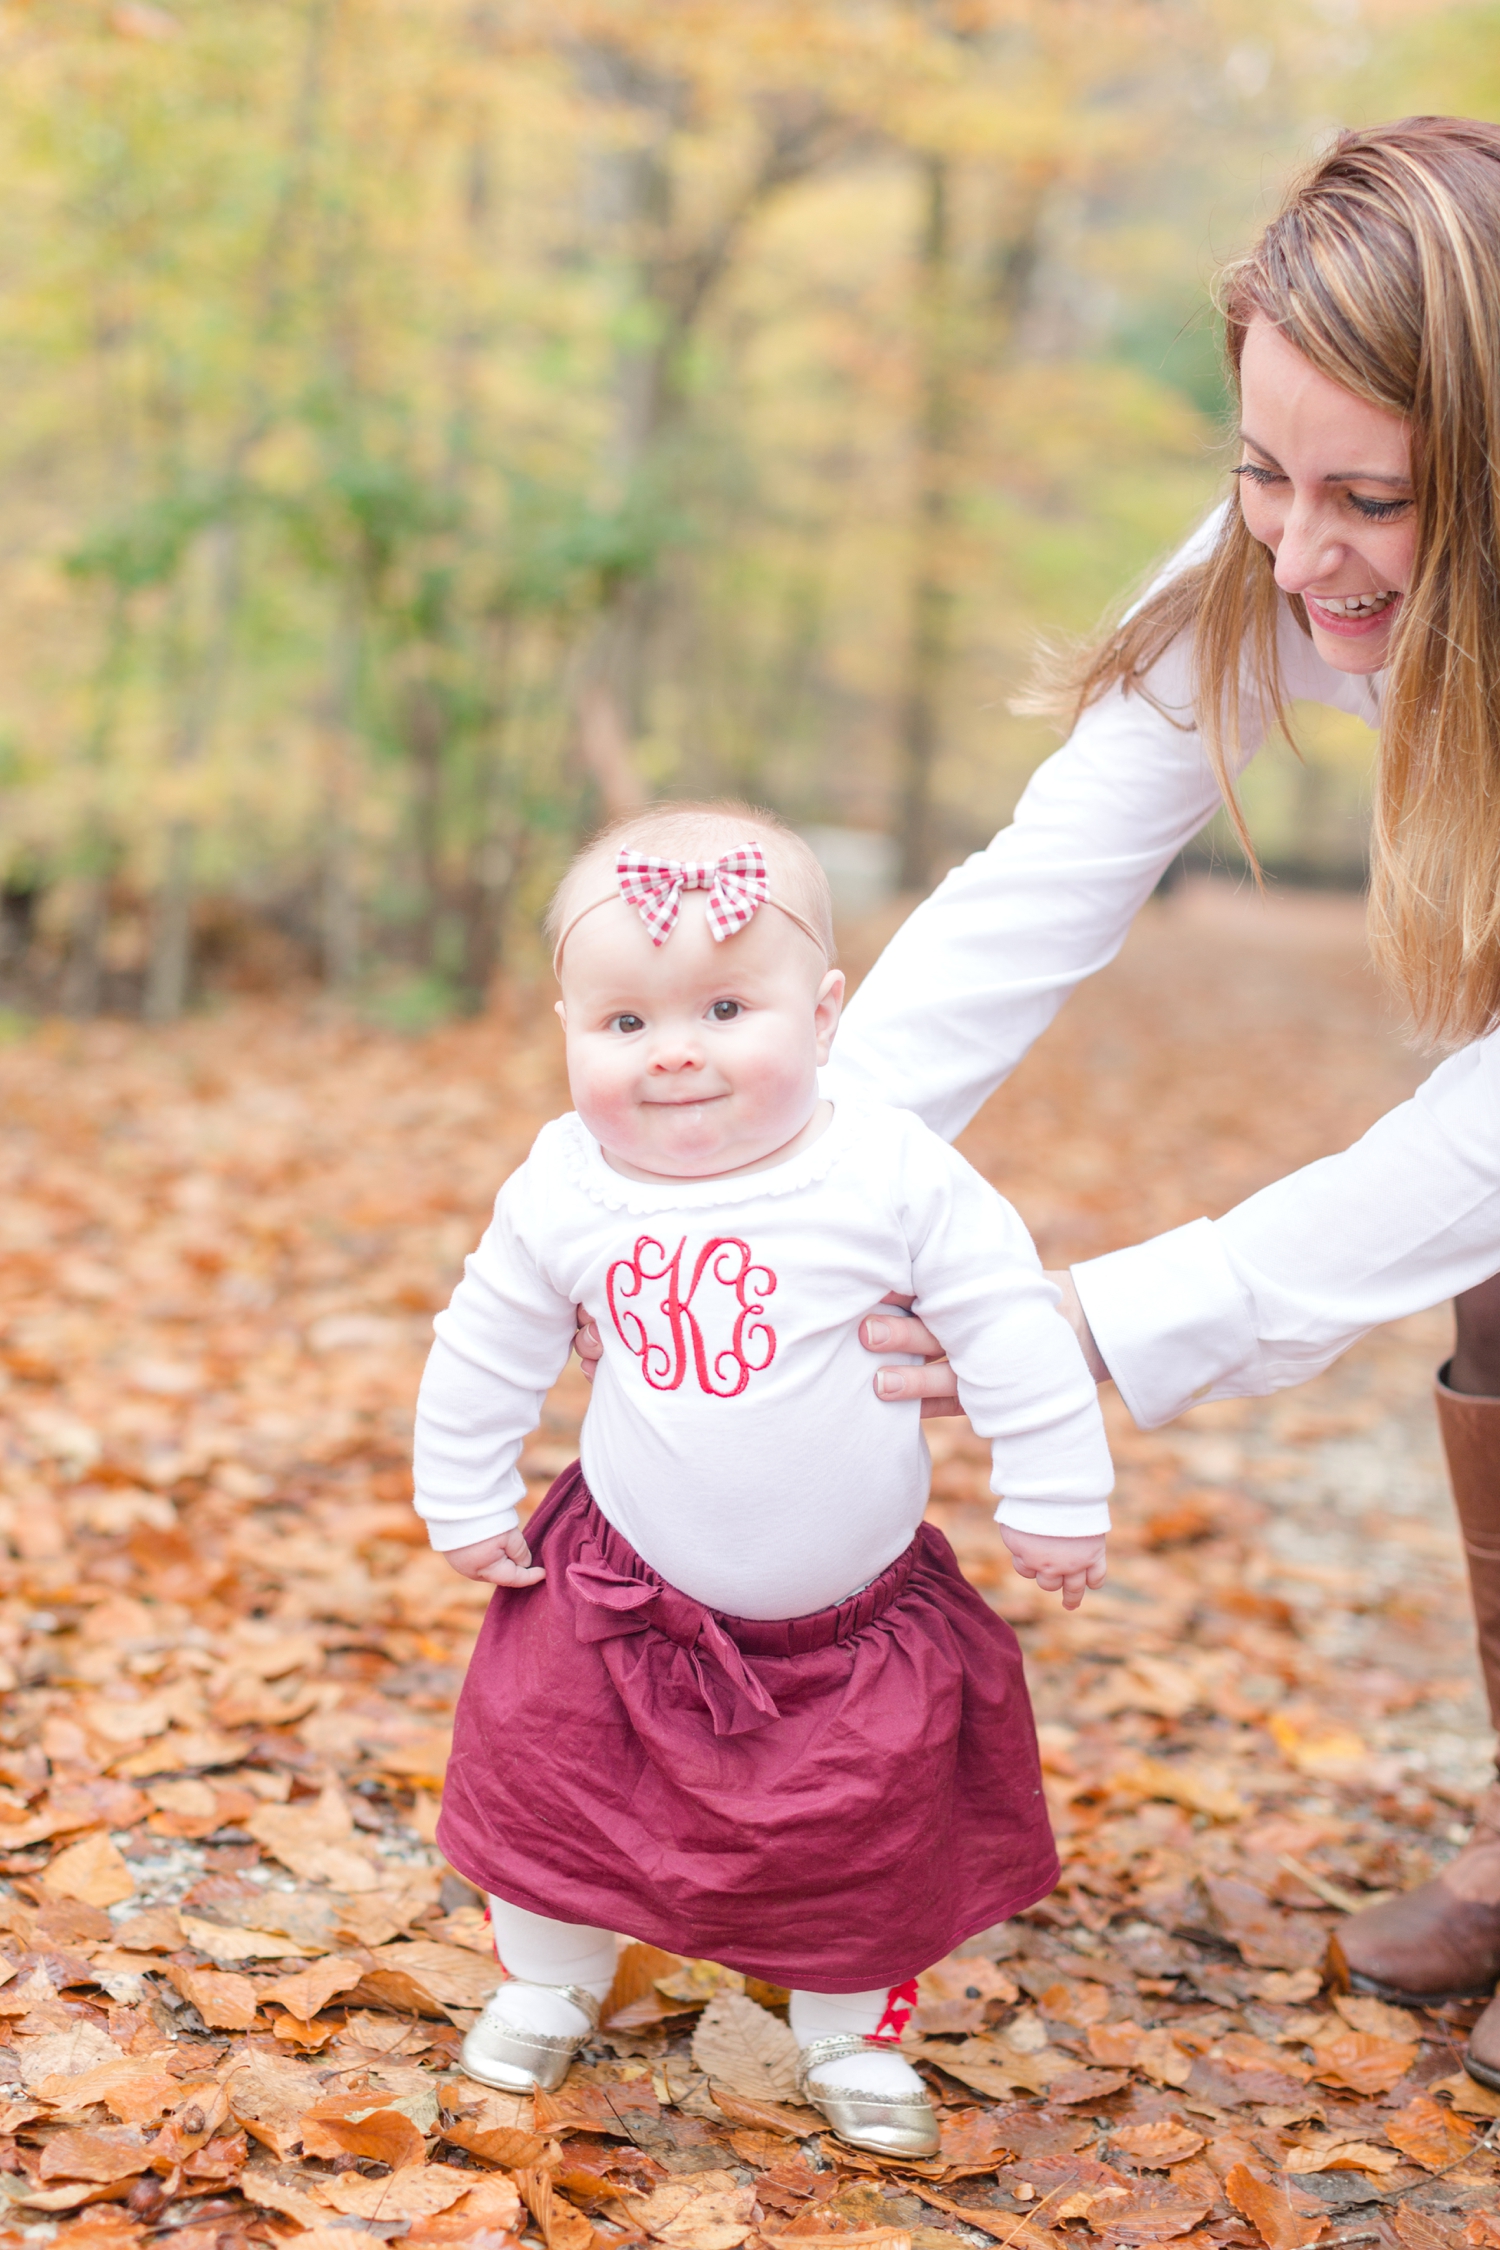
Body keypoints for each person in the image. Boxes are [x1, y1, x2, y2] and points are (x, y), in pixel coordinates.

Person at [832, 116, 1500, 2085]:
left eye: (1371, 496)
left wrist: (1093, 1324)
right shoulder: (1276, 556)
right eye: (1261, 472)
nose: (1299, 549)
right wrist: (790, 1190)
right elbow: (1044, 887)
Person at [412, 803, 1114, 2156]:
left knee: (862, 1827)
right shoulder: (568, 1182)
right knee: (553, 1787)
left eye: (727, 1006)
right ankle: (544, 1980)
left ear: (827, 1010)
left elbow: (1008, 1319)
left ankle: (851, 2027)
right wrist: (462, 1491)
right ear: (565, 1026)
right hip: (619, 1588)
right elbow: (486, 1334)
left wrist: (1054, 1491)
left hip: (846, 1620)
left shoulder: (890, 1169)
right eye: (621, 1024)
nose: (674, 1048)